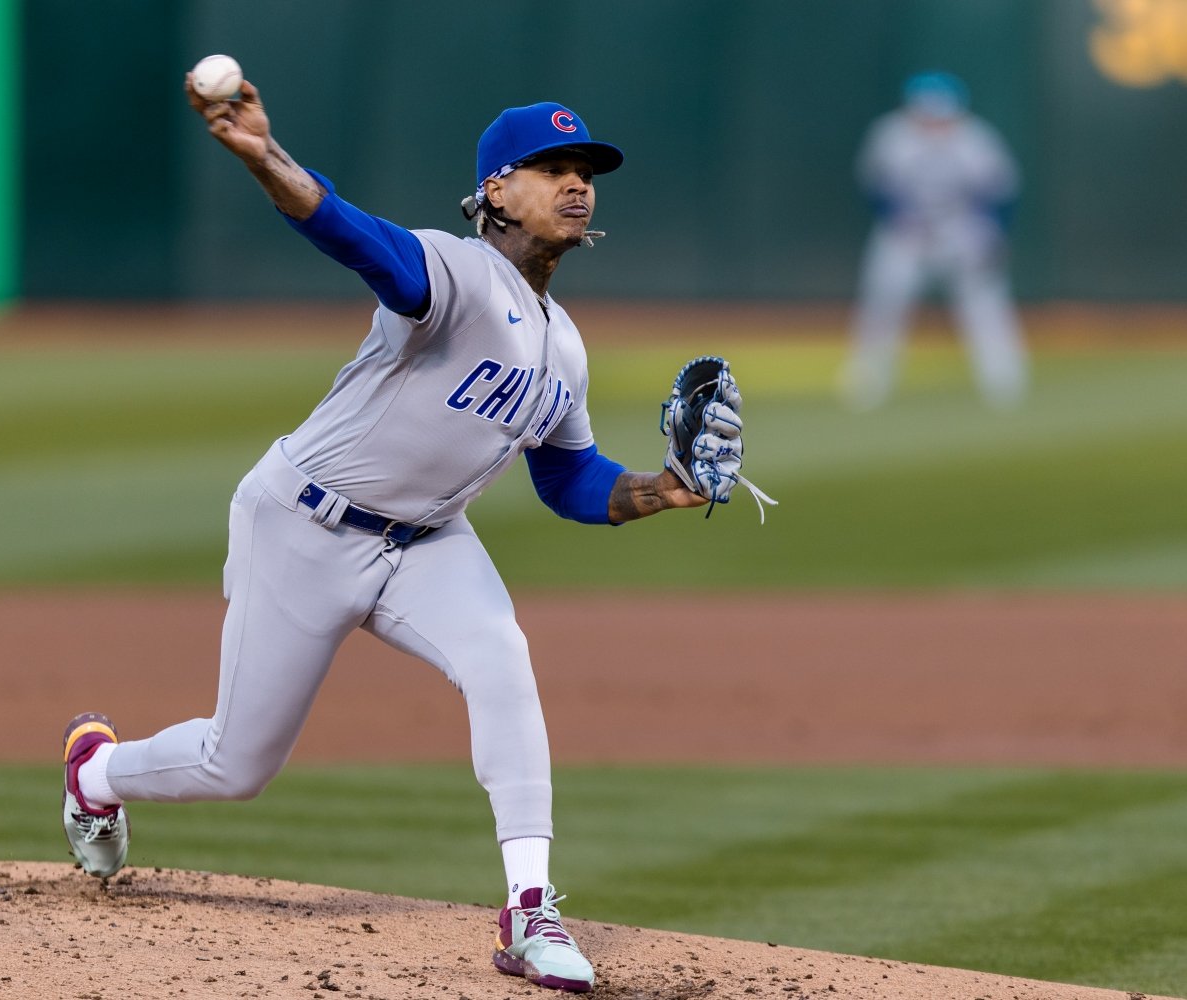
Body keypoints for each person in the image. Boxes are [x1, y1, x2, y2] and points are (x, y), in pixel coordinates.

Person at [59, 74, 758, 995]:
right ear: (496, 192)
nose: (577, 182)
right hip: (302, 523)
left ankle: (531, 906)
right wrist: (261, 154)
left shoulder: (567, 343)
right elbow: (348, 233)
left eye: (586, 168)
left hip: (427, 542)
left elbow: (567, 478)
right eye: (551, 167)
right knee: (238, 765)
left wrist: (662, 490)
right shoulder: (452, 272)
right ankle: (96, 774)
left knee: (503, 659)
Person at [842, 71, 1028, 410]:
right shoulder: (891, 135)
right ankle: (867, 384)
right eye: (927, 116)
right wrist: (897, 218)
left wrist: (992, 235)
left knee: (985, 305)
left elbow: (1003, 194)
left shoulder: (976, 139)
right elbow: (874, 186)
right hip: (907, 232)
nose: (934, 124)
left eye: (941, 116)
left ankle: (1005, 384)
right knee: (884, 301)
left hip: (961, 230)